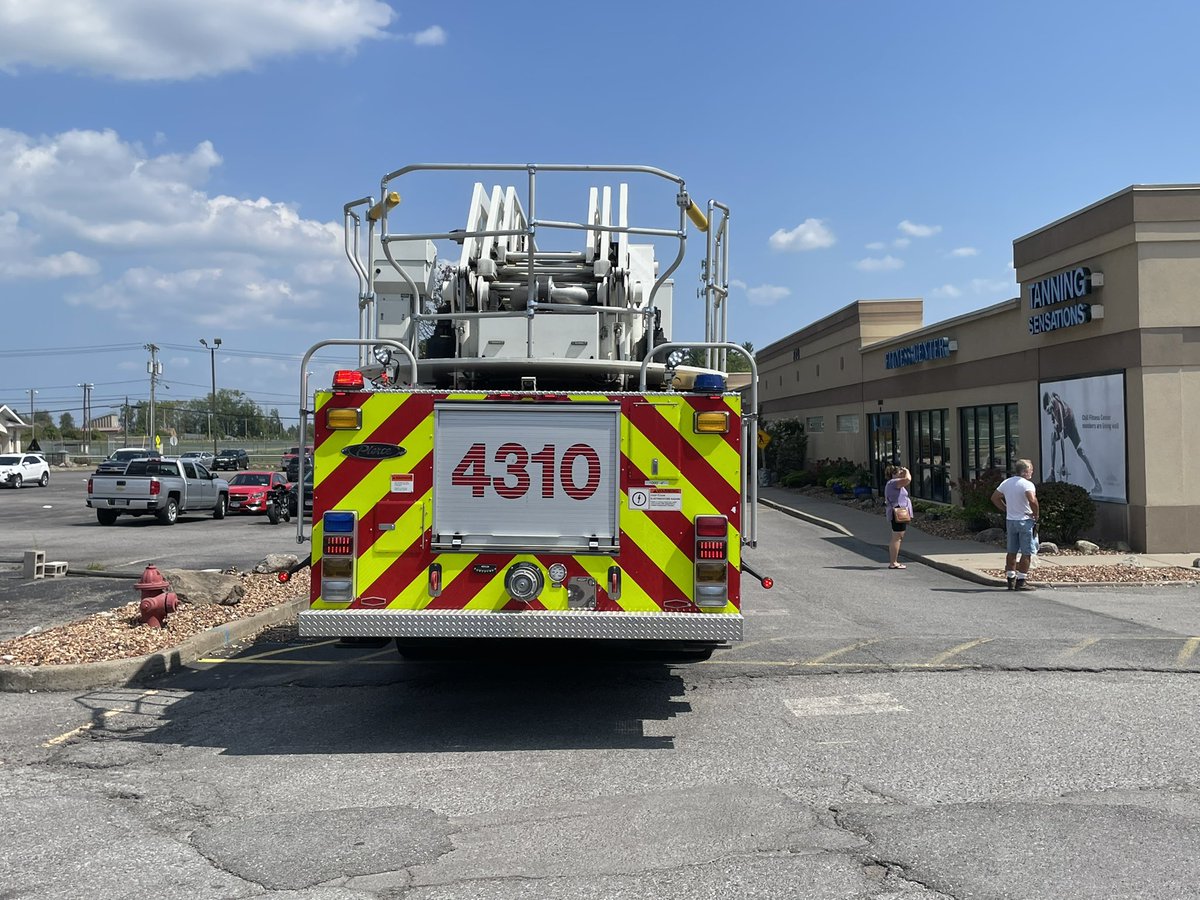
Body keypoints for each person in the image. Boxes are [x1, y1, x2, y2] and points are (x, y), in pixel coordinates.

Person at [991, 459, 1040, 591]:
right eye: (1030, 469)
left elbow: (995, 497)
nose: (1032, 472)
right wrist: (1036, 514)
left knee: (1011, 551)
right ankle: (1021, 580)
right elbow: (1032, 500)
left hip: (1011, 520)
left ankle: (1010, 579)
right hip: (1025, 520)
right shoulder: (1027, 485)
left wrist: (1006, 508)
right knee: (1027, 552)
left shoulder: (1007, 482)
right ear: (1024, 471)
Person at [1042, 391, 1102, 494]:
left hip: (1070, 426)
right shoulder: (1052, 407)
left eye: (1048, 410)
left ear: (1050, 405)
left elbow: (1061, 437)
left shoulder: (1057, 407)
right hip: (1065, 424)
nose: (1049, 413)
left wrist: (1063, 463)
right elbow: (1056, 427)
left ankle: (1097, 482)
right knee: (1052, 437)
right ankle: (1052, 473)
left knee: (1081, 452)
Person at [883, 465, 913, 569]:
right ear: (893, 474)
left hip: (899, 512)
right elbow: (908, 479)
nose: (901, 473)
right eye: (899, 472)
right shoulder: (893, 483)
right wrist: (907, 470)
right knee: (897, 537)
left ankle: (893, 561)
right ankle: (893, 562)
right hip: (898, 513)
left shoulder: (894, 483)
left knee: (898, 537)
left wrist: (903, 472)